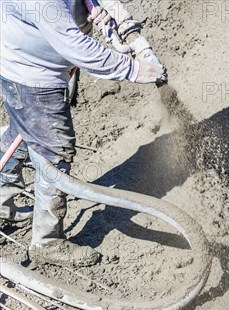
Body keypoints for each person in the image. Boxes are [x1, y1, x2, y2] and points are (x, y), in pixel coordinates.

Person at [0, 0, 167, 266]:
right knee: (55, 150)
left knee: (23, 130)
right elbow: (74, 45)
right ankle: (47, 242)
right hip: (33, 79)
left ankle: (1, 201)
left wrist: (126, 29)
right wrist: (133, 69)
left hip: (21, 63)